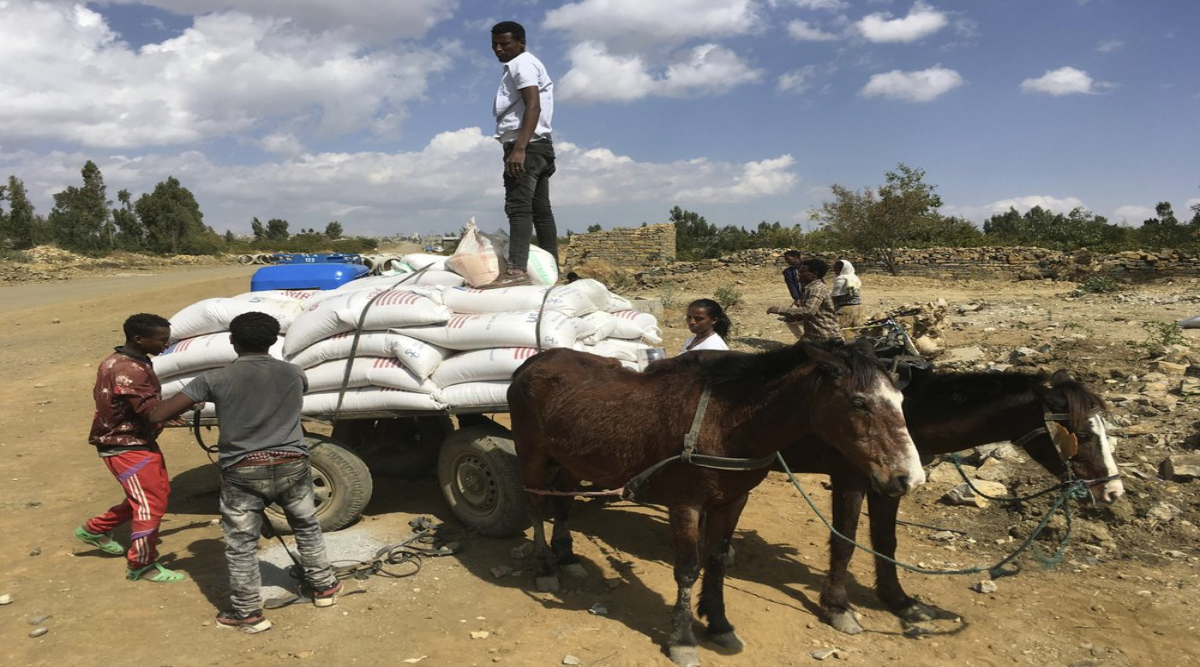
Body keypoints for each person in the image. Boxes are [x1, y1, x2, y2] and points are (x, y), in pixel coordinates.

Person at [150, 312, 341, 634]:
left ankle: (248, 613)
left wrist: (197, 403)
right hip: (292, 463)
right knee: (307, 526)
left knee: (241, 543)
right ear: (272, 341)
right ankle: (323, 588)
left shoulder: (213, 379)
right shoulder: (294, 373)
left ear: (232, 341)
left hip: (243, 470)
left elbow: (159, 413)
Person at [76, 313, 186, 583]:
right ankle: (142, 564)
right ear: (138, 338)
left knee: (153, 495)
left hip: (136, 440)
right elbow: (152, 413)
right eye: (161, 340)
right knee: (150, 504)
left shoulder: (120, 360)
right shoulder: (129, 370)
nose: (166, 345)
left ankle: (94, 529)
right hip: (125, 445)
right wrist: (191, 400)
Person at [481, 20, 557, 289]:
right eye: (494, 45)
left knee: (518, 209)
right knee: (540, 211)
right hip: (541, 146)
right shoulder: (527, 64)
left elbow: (532, 106)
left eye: (504, 43)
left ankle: (515, 271)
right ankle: (552, 271)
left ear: (521, 43)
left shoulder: (521, 64)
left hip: (526, 145)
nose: (498, 49)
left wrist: (519, 149)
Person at [768, 259, 843, 343]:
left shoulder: (817, 289)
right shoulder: (809, 288)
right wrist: (794, 316)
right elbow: (813, 313)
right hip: (812, 335)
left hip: (825, 338)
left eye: (802, 272)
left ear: (814, 274)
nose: (798, 275)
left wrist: (779, 310)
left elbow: (809, 311)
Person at [830, 259, 864, 329]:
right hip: (858, 308)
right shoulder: (854, 278)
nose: (834, 271)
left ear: (842, 270)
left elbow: (835, 297)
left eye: (836, 269)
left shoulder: (841, 280)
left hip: (844, 309)